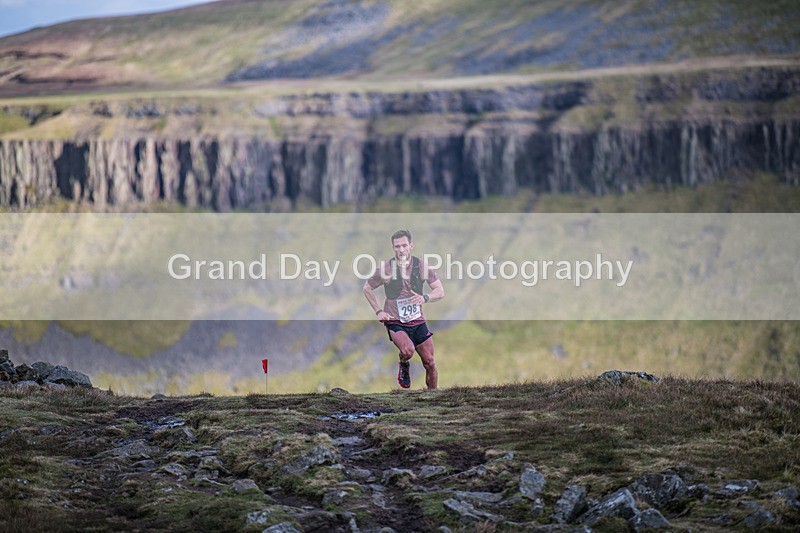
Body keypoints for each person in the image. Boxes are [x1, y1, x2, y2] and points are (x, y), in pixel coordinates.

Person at [363, 229, 444, 389]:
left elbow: (440, 291)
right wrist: (379, 311)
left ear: (411, 246)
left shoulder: (421, 266)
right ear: (393, 248)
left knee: (430, 363)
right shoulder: (385, 269)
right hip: (395, 321)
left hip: (417, 320)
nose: (401, 250)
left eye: (404, 246)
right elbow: (367, 288)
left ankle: (433, 398)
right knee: (408, 351)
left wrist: (425, 298)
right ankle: (403, 363)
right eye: (397, 246)